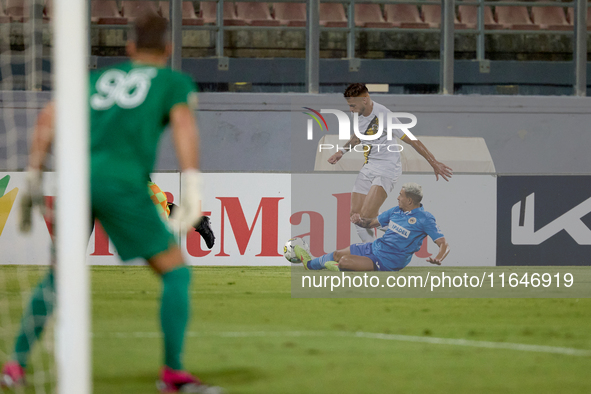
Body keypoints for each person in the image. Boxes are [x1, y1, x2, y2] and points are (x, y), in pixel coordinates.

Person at [1, 13, 221, 394]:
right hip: (120, 183)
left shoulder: (95, 80)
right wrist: (192, 187)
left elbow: (49, 116)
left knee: (60, 277)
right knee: (175, 273)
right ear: (168, 50)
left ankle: (15, 367)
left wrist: (34, 173)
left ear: (130, 48)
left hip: (74, 180)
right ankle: (172, 374)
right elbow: (184, 126)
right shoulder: (173, 81)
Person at [327, 83, 453, 243]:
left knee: (366, 217)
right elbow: (359, 135)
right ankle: (373, 252)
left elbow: (413, 140)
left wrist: (434, 162)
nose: (350, 109)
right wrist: (341, 152)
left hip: (387, 168)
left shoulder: (385, 116)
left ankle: (407, 229)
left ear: (365, 99)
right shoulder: (358, 112)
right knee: (356, 217)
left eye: (352, 105)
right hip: (369, 166)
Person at [295, 183, 450, 272]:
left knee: (344, 261)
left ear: (409, 201)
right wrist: (359, 221)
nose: (397, 197)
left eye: (400, 195)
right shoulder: (396, 211)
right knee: (336, 254)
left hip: (389, 261)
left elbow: (443, 243)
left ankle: (338, 267)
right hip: (376, 247)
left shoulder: (425, 218)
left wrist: (438, 258)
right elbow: (371, 223)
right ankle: (309, 265)